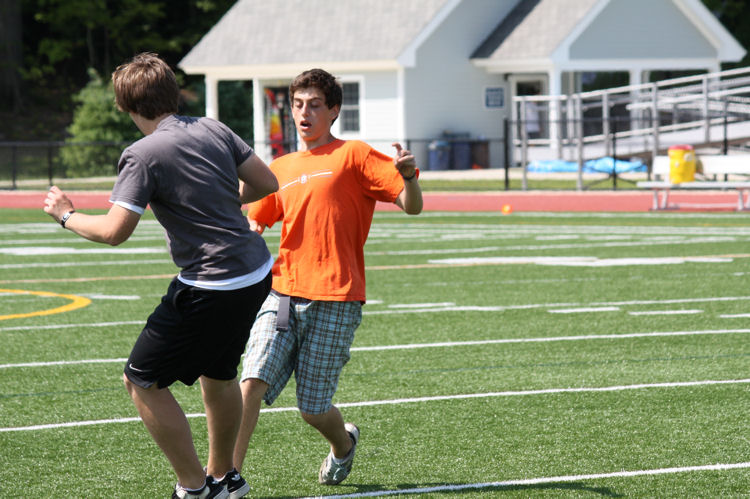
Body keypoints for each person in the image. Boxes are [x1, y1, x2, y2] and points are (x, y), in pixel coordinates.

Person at [43, 52, 278, 499]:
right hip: (256, 271)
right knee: (219, 373)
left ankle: (194, 488)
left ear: (127, 106)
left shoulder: (142, 153)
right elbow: (267, 183)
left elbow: (114, 232)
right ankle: (225, 476)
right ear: (172, 92)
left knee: (141, 379)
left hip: (212, 283)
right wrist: (224, 203)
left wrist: (66, 215)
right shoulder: (212, 127)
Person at [232, 68, 423, 486]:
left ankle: (343, 444)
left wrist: (408, 177)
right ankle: (228, 477)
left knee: (313, 409)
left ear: (334, 110)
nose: (305, 113)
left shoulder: (354, 155)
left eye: (315, 105)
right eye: (298, 104)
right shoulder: (279, 167)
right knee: (251, 380)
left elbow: (411, 206)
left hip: (337, 297)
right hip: (283, 294)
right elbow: (255, 222)